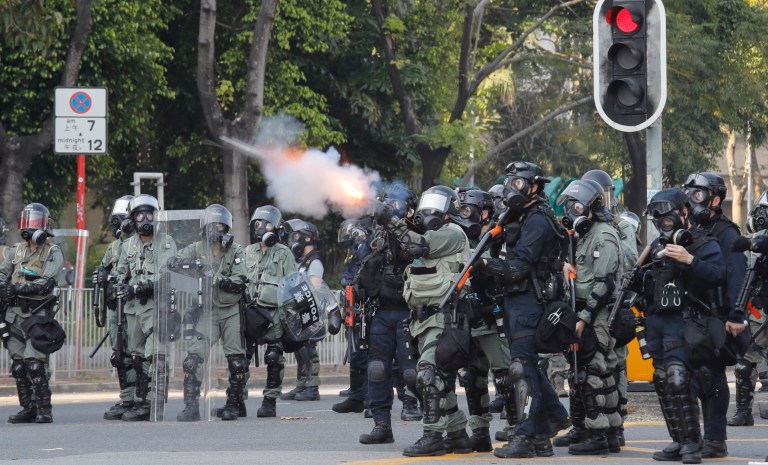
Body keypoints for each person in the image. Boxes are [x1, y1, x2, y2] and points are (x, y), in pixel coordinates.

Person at [471, 161, 570, 459]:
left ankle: (526, 435)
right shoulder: (518, 216)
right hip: (515, 301)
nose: (511, 187)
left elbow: (518, 268)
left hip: (530, 300)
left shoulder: (538, 220)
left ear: (534, 186)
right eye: (509, 181)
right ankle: (546, 429)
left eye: (518, 183)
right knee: (526, 367)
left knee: (522, 370)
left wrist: (487, 265)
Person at [630, 187, 725, 464]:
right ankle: (678, 439)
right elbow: (639, 279)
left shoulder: (703, 243)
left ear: (684, 212)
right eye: (658, 217)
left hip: (686, 321)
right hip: (657, 320)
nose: (664, 221)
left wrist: (689, 260)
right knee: (662, 380)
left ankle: (692, 444)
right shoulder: (656, 246)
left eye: (669, 215)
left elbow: (719, 275)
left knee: (678, 377)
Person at [385, 185, 472, 457]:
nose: (429, 209)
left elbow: (415, 245)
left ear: (450, 211)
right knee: (441, 378)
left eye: (437, 203)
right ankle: (457, 434)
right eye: (427, 202)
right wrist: (388, 224)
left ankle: (432, 435)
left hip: (445, 316)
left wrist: (393, 220)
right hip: (423, 318)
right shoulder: (426, 234)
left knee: (427, 374)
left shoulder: (452, 234)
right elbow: (401, 255)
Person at [555, 179, 623, 455]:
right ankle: (602, 431)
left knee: (592, 373)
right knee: (596, 372)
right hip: (586, 313)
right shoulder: (586, 234)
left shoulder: (603, 235)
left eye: (575, 206)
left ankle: (598, 435)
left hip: (596, 316)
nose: (570, 212)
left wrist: (583, 318)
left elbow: (604, 283)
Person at [682, 173, 746, 458]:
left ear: (715, 199)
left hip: (717, 314)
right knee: (688, 378)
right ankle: (692, 438)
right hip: (690, 314)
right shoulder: (689, 229)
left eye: (699, 194)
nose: (693, 199)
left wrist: (735, 314)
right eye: (691, 193)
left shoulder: (726, 232)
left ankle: (716, 438)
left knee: (711, 377)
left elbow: (737, 276)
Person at [356, 184, 421, 445]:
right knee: (377, 369)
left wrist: (395, 224)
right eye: (389, 204)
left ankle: (433, 423)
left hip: (408, 309)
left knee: (411, 372)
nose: (393, 208)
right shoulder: (378, 232)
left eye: (398, 204)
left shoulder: (417, 228)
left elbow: (414, 249)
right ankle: (382, 424)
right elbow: (364, 257)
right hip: (381, 310)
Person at [171, 204, 248, 421]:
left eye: (220, 224)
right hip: (207, 311)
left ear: (227, 227)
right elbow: (173, 261)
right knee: (193, 358)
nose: (216, 229)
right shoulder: (197, 248)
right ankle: (191, 406)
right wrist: (195, 265)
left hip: (231, 310)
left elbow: (241, 281)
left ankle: (234, 403)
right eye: (212, 224)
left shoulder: (236, 251)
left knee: (236, 360)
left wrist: (216, 279)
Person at [456, 187, 513, 452]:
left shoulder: (498, 237)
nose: (463, 215)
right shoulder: (461, 239)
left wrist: (486, 266)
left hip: (493, 314)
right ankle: (479, 431)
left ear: (485, 212)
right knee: (471, 374)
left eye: (467, 210)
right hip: (469, 316)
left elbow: (507, 270)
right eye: (461, 210)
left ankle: (516, 429)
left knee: (505, 374)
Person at [115, 194, 177, 421]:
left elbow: (165, 275)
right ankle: (141, 402)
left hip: (155, 305)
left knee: (156, 355)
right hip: (132, 309)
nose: (144, 219)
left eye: (149, 214)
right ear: (133, 218)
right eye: (139, 214)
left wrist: (138, 288)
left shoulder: (166, 242)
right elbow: (121, 272)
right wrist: (118, 286)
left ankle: (155, 402)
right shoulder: (128, 244)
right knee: (137, 356)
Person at [0, 203, 63, 424]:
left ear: (44, 225)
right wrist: (4, 286)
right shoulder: (16, 250)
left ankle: (44, 409)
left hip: (37, 315)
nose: (30, 226)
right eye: (27, 221)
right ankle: (28, 408)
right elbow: (2, 272)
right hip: (14, 315)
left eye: (35, 222)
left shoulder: (52, 252)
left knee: (34, 364)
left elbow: (47, 282)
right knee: (19, 366)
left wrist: (19, 288)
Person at [243, 205, 298, 418]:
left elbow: (293, 284)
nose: (261, 228)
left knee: (274, 356)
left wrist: (290, 317)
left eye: (266, 224)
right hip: (250, 311)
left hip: (274, 314)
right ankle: (236, 399)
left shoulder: (284, 253)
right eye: (257, 223)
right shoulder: (248, 252)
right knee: (241, 356)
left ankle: (270, 400)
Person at [92, 195, 136, 420]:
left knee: (135, 354)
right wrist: (101, 275)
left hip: (132, 307)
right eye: (115, 220)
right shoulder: (114, 246)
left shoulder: (137, 244)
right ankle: (127, 397)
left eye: (120, 219)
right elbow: (105, 269)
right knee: (119, 355)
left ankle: (139, 398)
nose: (116, 224)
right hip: (114, 306)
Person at [728, 191, 768, 427]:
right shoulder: (755, 239)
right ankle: (744, 411)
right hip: (757, 308)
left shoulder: (759, 240)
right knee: (745, 363)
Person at [281, 219, 324, 402]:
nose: (293, 240)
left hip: (309, 311)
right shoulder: (301, 262)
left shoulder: (314, 262)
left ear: (307, 239)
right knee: (300, 351)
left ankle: (312, 388)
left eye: (297, 236)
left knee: (309, 350)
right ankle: (301, 385)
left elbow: (313, 287)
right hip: (298, 311)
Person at [333, 218, 371, 414]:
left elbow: (363, 275)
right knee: (355, 353)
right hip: (352, 304)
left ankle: (371, 399)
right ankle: (356, 396)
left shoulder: (367, 248)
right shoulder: (353, 251)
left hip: (366, 306)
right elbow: (349, 276)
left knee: (369, 354)